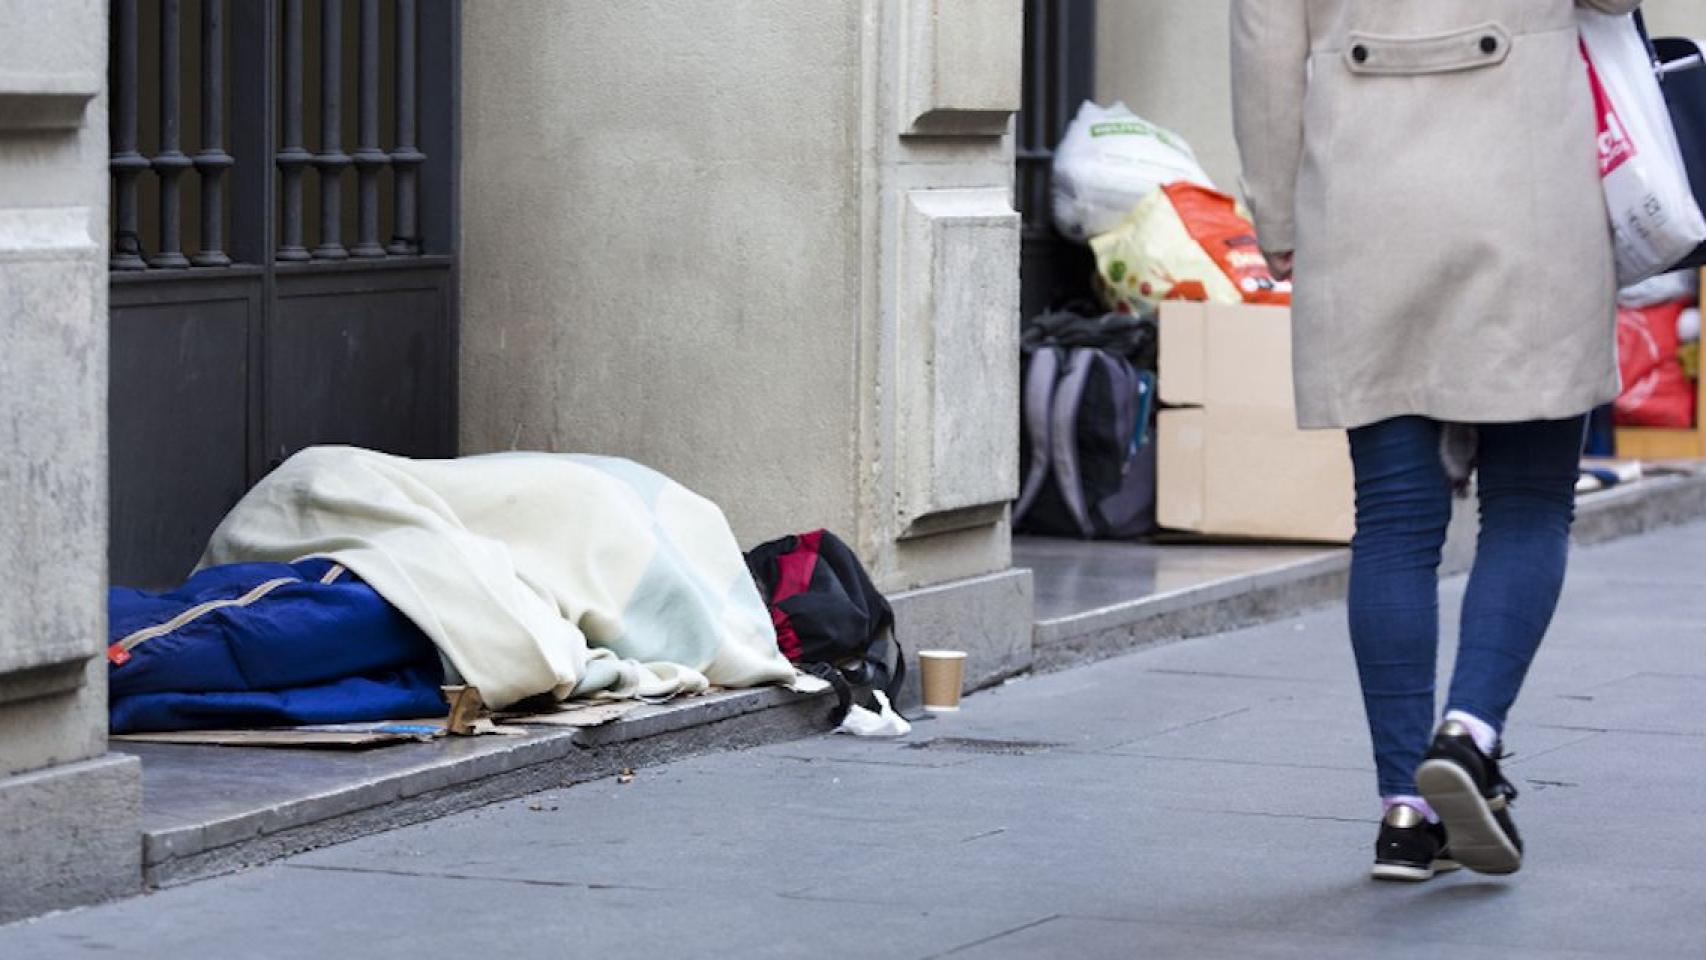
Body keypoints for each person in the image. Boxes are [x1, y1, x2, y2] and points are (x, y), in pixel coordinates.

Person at [1230, 0, 1643, 881]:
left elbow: (1263, 34)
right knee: (1530, 504)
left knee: (1394, 517)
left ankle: (1407, 813)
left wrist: (1278, 211)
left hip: (1362, 186)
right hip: (1530, 181)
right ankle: (1470, 733)